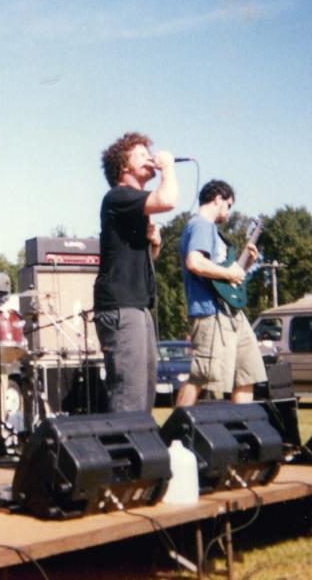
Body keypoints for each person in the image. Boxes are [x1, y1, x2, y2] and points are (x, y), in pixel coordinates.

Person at [93, 132, 178, 413]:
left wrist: (154, 245)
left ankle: (140, 450)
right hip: (120, 306)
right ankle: (124, 452)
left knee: (144, 390)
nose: (150, 159)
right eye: (141, 154)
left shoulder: (136, 207)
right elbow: (168, 200)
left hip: (137, 305)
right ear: (124, 166)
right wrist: (168, 168)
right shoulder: (118, 196)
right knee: (129, 391)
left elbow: (142, 262)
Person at [175, 179, 267, 406]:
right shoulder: (201, 225)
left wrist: (244, 267)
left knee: (247, 373)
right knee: (201, 376)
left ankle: (241, 430)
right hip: (210, 313)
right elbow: (195, 262)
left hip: (231, 312)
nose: (229, 212)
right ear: (218, 199)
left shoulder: (213, 232)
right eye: (229, 205)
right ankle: (174, 437)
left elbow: (226, 279)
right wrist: (230, 274)